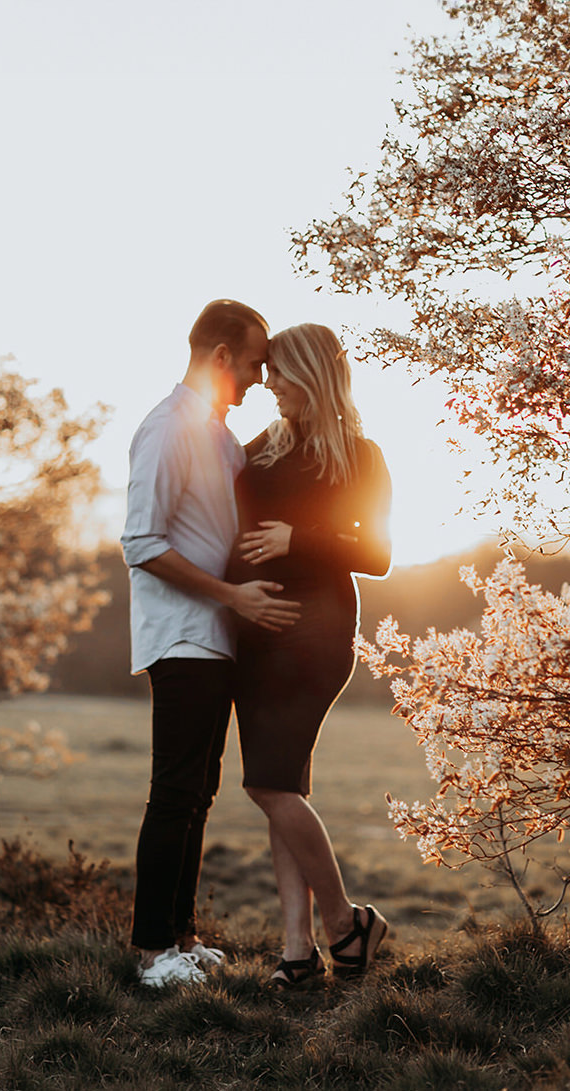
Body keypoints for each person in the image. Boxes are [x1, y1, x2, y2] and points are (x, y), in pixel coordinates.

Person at [121, 299, 302, 988]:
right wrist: (232, 597)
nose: (260, 374)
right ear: (222, 355)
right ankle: (149, 951)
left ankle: (181, 935)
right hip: (182, 636)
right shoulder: (167, 428)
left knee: (198, 790)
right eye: (255, 360)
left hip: (217, 639)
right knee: (174, 791)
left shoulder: (221, 435)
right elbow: (140, 541)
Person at [225, 323, 393, 987]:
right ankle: (297, 951)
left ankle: (342, 921)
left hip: (316, 633)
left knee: (264, 783)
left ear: (313, 374)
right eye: (263, 372)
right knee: (283, 786)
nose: (267, 385)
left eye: (279, 373)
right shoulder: (260, 449)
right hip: (256, 632)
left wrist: (302, 535)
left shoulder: (360, 455)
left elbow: (376, 554)